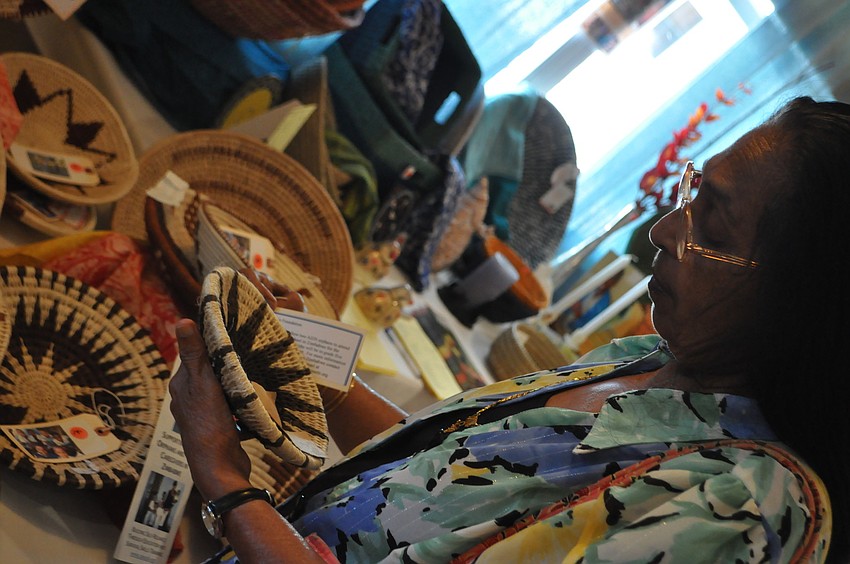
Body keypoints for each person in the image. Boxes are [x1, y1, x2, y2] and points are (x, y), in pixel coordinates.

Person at [169, 96, 849, 563]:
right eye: (692, 194)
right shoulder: (657, 357)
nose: (664, 230)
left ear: (799, 302)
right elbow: (442, 479)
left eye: (714, 224)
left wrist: (226, 481)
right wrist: (314, 372)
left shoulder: (733, 512)